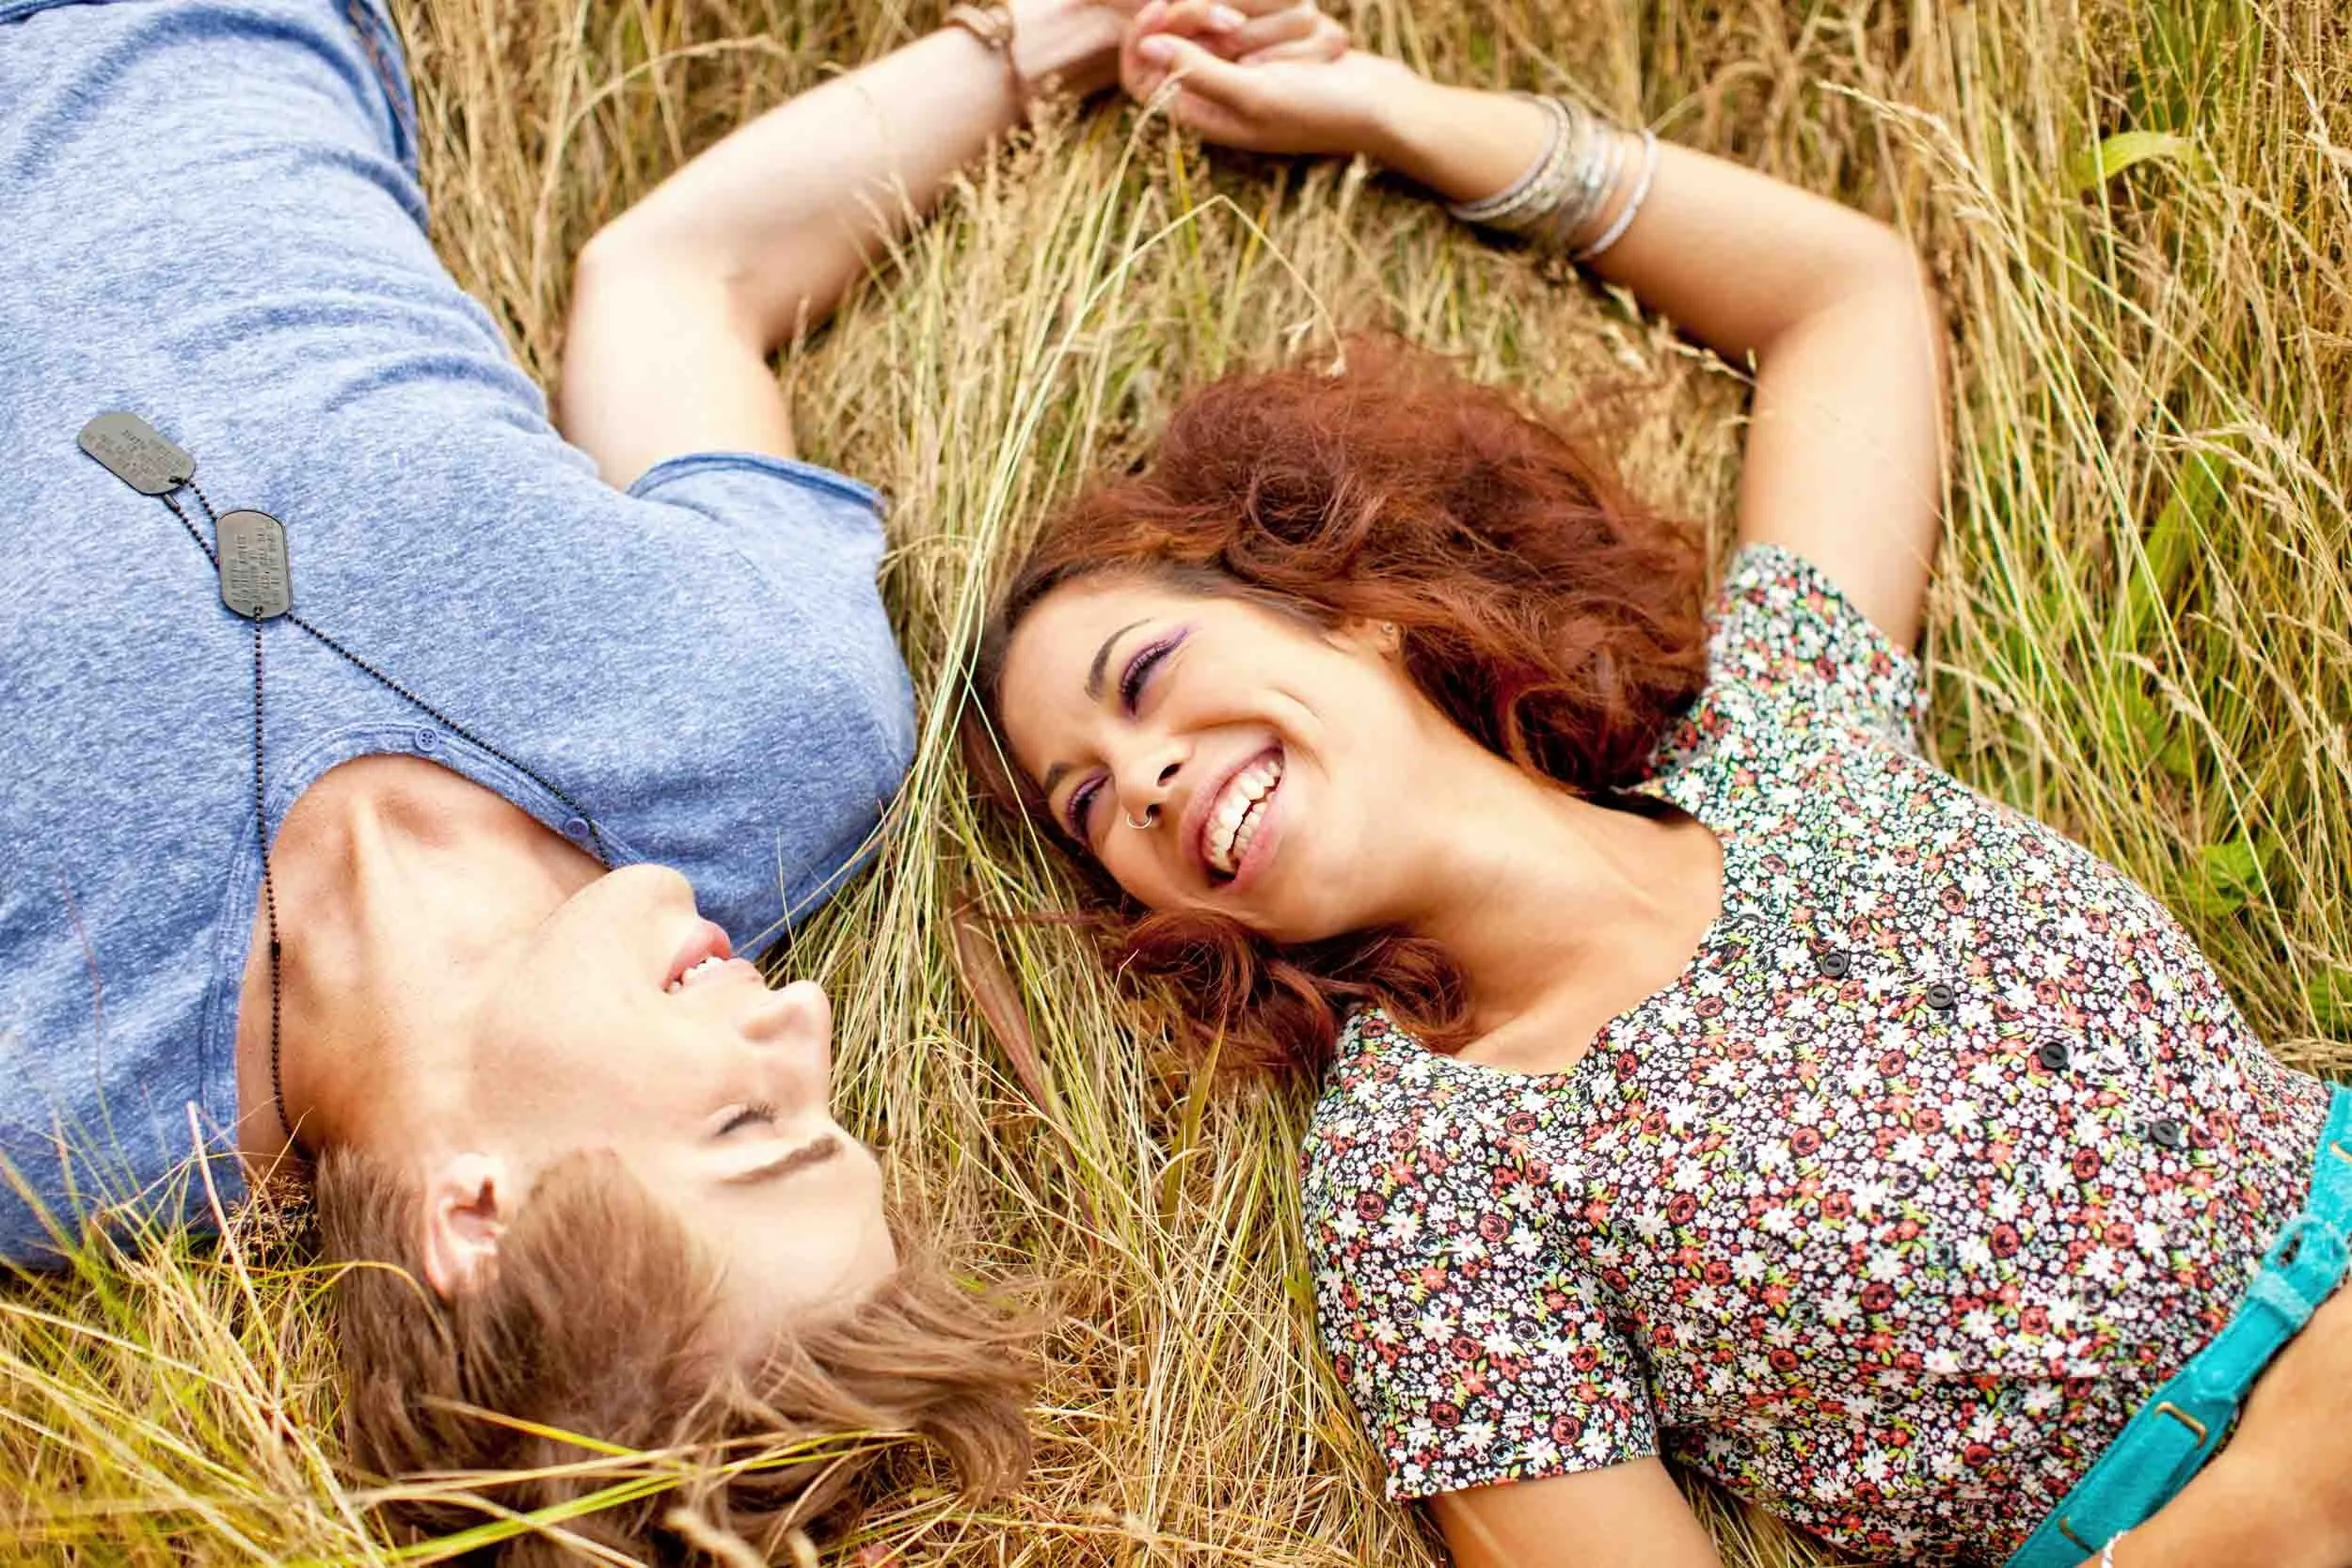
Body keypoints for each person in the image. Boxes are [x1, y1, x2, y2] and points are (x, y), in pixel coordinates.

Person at [975, 15, 2352, 1568]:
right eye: (1089, 807)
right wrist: (2278, 1507)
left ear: (1342, 602)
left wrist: (1400, 116)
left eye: (1146, 676)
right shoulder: (1429, 1182)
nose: (1144, 779)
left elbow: (1844, 297)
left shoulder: (1780, 730)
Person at [0, 0, 1339, 1556]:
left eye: (748, 1127)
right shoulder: (767, 733)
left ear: (475, 1216)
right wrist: (1060, 40)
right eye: (828, 1106)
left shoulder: (57, 1099)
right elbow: (677, 279)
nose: (802, 1020)